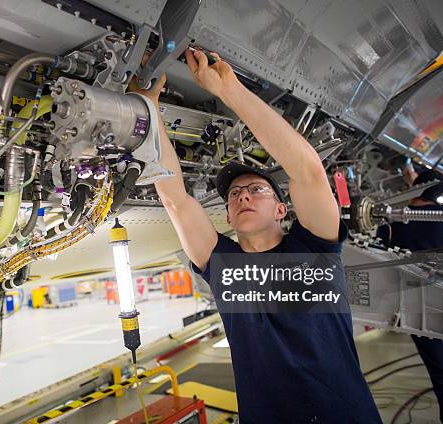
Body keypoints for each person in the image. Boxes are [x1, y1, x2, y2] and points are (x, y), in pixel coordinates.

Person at [132, 49, 381, 423]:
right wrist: (149, 109)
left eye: (256, 190)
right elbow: (176, 200)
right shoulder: (223, 266)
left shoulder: (315, 247)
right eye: (234, 194)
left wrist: (228, 90)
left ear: (282, 210)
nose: (242, 195)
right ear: (229, 214)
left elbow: (309, 171)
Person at [378, 169, 443, 424]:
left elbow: (381, 250)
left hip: (419, 306)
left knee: (441, 373)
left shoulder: (392, 223)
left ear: (415, 186)